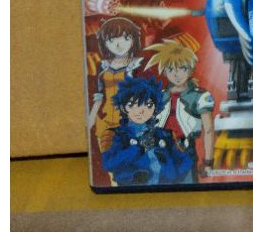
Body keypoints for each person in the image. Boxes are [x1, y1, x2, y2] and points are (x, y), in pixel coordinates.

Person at [101, 76, 193, 186]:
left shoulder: (165, 134)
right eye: (132, 105)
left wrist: (173, 174)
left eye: (148, 105)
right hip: (133, 188)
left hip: (165, 187)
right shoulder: (117, 135)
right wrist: (136, 149)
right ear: (123, 108)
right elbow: (108, 163)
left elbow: (185, 161)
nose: (141, 111)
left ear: (155, 108)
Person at [145, 37, 215, 180]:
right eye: (171, 69)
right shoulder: (159, 96)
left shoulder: (200, 96)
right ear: (165, 71)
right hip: (158, 151)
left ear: (191, 69)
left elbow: (208, 130)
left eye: (182, 68)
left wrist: (208, 162)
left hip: (184, 150)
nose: (176, 74)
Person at [88, 17, 143, 152]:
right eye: (111, 40)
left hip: (130, 121)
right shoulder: (103, 65)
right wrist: (90, 119)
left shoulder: (138, 64)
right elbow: (99, 96)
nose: (118, 45)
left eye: (125, 38)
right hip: (105, 120)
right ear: (105, 42)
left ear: (133, 39)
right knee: (108, 157)